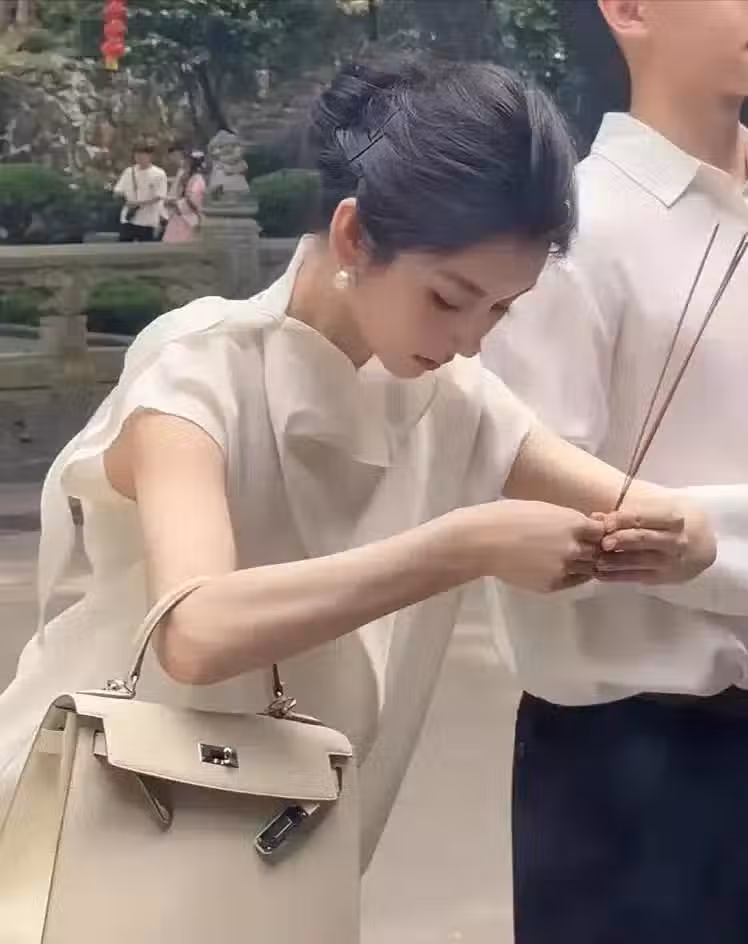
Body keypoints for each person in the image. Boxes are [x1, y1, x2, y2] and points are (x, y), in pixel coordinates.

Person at [0, 57, 715, 876]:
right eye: (450, 298)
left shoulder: (451, 397)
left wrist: (680, 537)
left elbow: (650, 510)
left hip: (268, 854)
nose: (471, 338)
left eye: (500, 309)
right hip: (92, 831)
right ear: (353, 236)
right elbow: (194, 631)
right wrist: (465, 545)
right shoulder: (197, 371)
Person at [482, 2, 748, 941]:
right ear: (629, 9)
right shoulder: (569, 239)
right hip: (636, 770)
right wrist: (705, 544)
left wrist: (707, 541)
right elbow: (542, 527)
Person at [114, 140, 168, 243]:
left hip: (147, 221)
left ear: (150, 156)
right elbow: (118, 190)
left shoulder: (159, 174)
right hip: (129, 218)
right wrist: (124, 200)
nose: (139, 157)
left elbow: (159, 196)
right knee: (123, 247)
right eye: (137, 154)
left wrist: (139, 203)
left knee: (146, 248)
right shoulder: (128, 172)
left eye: (143, 154)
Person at [162, 150, 207, 243]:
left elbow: (194, 200)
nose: (184, 165)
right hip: (178, 218)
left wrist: (176, 203)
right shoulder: (185, 176)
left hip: (190, 220)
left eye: (187, 163)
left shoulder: (198, 180)